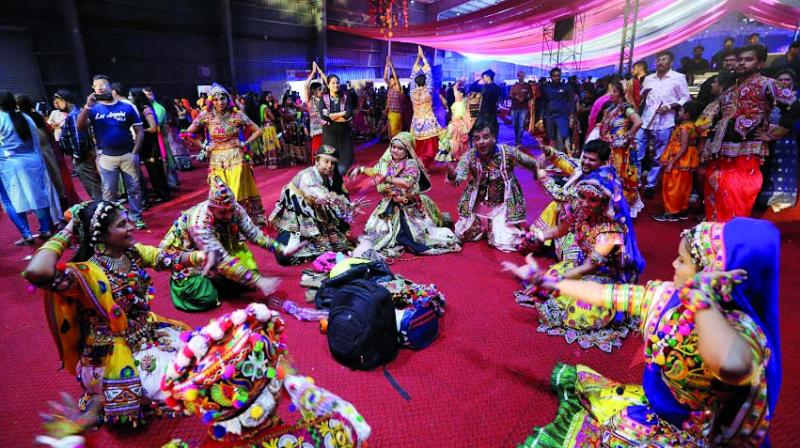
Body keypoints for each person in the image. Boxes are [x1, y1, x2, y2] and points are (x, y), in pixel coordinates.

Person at [507, 218, 780, 448]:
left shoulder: (743, 331)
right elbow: (605, 294)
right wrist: (547, 281)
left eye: (682, 261)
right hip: (658, 409)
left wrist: (702, 302)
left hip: (697, 435)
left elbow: (732, 366)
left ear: (709, 274)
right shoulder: (667, 297)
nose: (673, 265)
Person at [22, 200, 214, 425]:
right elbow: (37, 271)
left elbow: (166, 257)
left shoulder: (131, 253)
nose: (131, 227)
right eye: (122, 224)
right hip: (114, 351)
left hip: (147, 333)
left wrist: (201, 256)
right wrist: (69, 229)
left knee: (200, 356)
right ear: (101, 236)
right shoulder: (84, 274)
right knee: (177, 385)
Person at [516, 166, 645, 352]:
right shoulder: (578, 208)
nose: (584, 203)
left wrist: (554, 282)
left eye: (592, 200)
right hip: (578, 265)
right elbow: (560, 230)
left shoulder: (611, 230)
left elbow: (589, 267)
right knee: (553, 279)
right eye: (583, 196)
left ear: (605, 203)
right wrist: (537, 236)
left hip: (602, 278)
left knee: (580, 314)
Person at [159, 177, 303, 311]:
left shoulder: (235, 209)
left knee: (247, 279)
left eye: (230, 210)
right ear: (211, 208)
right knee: (206, 298)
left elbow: (254, 234)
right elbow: (221, 260)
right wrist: (259, 281)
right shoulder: (199, 223)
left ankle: (219, 280)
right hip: (188, 257)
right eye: (222, 213)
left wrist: (282, 249)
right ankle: (186, 285)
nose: (228, 216)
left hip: (219, 249)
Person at [701, 45, 799, 222]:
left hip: (747, 150)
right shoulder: (730, 91)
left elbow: (794, 105)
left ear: (760, 63)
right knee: (714, 189)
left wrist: (776, 133)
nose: (741, 63)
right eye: (739, 60)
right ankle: (714, 235)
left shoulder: (767, 84)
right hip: (720, 151)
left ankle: (732, 236)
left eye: (748, 60)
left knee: (737, 192)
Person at [351, 132, 461, 257]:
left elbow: (407, 183)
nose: (395, 150)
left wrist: (386, 179)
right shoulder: (390, 163)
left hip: (409, 208)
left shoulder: (411, 164)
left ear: (407, 150)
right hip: (390, 205)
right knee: (375, 236)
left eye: (400, 148)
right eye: (393, 147)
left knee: (418, 239)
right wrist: (361, 170)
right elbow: (375, 171)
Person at [446, 119, 539, 252]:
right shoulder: (469, 157)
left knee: (505, 241)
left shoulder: (507, 152)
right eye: (477, 138)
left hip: (503, 206)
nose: (481, 142)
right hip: (479, 206)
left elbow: (530, 162)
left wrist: (538, 173)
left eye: (485, 137)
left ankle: (496, 227)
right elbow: (458, 179)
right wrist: (452, 176)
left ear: (494, 137)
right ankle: (486, 227)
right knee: (461, 233)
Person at [269, 145, 369, 265]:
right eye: (326, 161)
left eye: (332, 163)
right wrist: (342, 204)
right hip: (296, 219)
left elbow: (331, 199)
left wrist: (349, 207)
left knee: (336, 246)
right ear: (316, 161)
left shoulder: (328, 179)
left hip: (315, 217)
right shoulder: (307, 176)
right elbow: (322, 196)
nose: (329, 166)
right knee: (284, 255)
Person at [182, 83, 267, 224]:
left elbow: (258, 130)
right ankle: (226, 223)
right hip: (216, 160)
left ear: (228, 99)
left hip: (236, 157)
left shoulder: (237, 114)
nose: (220, 102)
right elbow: (186, 133)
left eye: (222, 98)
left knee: (236, 191)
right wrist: (204, 146)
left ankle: (239, 223)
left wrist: (244, 143)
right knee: (220, 193)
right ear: (211, 101)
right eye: (216, 100)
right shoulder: (206, 115)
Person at [77, 74, 147, 229]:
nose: (100, 87)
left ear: (110, 87)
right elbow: (80, 127)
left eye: (103, 84)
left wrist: (135, 153)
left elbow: (140, 130)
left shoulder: (127, 106)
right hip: (106, 157)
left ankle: (135, 216)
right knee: (109, 192)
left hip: (128, 154)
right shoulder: (93, 109)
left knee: (134, 189)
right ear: (93, 89)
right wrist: (87, 106)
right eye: (96, 85)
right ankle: (114, 221)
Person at [533, 140, 613, 262]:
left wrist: (542, 175)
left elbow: (560, 195)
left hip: (588, 230)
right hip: (571, 219)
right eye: (584, 157)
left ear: (603, 163)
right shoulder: (584, 169)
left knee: (574, 263)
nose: (586, 162)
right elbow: (567, 161)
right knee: (555, 209)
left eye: (591, 160)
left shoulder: (598, 183)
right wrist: (549, 151)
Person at [0, 91, 58, 246]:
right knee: (38, 195)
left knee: (10, 200)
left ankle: (26, 234)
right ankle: (45, 230)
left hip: (7, 164)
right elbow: (37, 143)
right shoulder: (25, 118)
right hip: (31, 161)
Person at [636, 51, 690, 197]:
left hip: (665, 120)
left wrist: (671, 106)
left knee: (659, 155)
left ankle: (651, 184)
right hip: (646, 120)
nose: (660, 62)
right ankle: (635, 182)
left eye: (663, 59)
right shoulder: (648, 78)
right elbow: (641, 97)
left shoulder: (678, 77)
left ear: (671, 62)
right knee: (637, 151)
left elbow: (685, 97)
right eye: (658, 60)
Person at [596, 79, 644, 217]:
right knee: (611, 175)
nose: (611, 94)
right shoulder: (612, 108)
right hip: (612, 147)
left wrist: (626, 138)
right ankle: (611, 204)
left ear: (622, 94)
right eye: (610, 90)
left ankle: (623, 206)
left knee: (620, 176)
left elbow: (638, 122)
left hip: (622, 150)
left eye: (614, 91)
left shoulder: (625, 107)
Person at [757, 69, 798, 213]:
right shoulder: (769, 99)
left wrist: (782, 129)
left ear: (792, 83)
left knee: (786, 166)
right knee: (770, 166)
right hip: (769, 139)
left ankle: (785, 198)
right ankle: (766, 197)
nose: (784, 82)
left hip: (788, 138)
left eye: (787, 80)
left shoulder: (795, 100)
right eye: (781, 80)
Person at [654, 101, 703, 221]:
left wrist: (672, 162)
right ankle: (682, 210)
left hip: (679, 161)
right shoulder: (694, 127)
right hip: (688, 161)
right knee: (684, 187)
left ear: (687, 115)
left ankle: (671, 212)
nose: (678, 113)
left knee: (672, 186)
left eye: (680, 111)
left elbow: (684, 146)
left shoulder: (683, 128)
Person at [56, 90, 103, 201]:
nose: (56, 104)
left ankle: (104, 212)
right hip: (87, 154)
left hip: (83, 157)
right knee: (95, 186)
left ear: (66, 101)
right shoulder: (76, 114)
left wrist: (77, 156)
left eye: (58, 101)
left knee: (93, 188)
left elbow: (78, 138)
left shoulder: (73, 116)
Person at [129, 88, 171, 204]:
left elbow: (153, 128)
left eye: (131, 96)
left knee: (156, 171)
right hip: (146, 144)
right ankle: (159, 193)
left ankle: (164, 195)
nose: (129, 98)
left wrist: (139, 131)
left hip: (151, 144)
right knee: (152, 171)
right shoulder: (138, 109)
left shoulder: (146, 109)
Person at [408, 46, 442, 168]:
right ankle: (423, 164)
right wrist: (424, 59)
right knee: (429, 147)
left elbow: (412, 76)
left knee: (418, 146)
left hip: (416, 122)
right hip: (428, 122)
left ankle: (418, 165)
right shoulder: (428, 92)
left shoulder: (412, 93)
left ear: (416, 83)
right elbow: (429, 75)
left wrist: (417, 59)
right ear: (425, 82)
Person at [143, 87, 179, 189]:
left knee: (165, 162)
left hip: (161, 139)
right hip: (154, 140)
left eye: (149, 94)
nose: (147, 97)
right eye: (145, 95)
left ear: (153, 95)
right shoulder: (148, 108)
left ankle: (170, 184)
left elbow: (155, 124)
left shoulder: (158, 108)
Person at [319, 74, 354, 176]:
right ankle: (332, 184)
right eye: (333, 83)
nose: (336, 85)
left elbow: (348, 113)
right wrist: (341, 113)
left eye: (337, 82)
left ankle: (338, 181)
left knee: (345, 160)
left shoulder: (345, 97)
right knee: (330, 159)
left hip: (344, 134)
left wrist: (333, 116)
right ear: (328, 85)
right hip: (329, 134)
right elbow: (324, 116)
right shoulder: (324, 99)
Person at [540, 67, 577, 152]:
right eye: (555, 76)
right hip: (550, 116)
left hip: (562, 116)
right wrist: (541, 118)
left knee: (560, 138)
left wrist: (571, 115)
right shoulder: (546, 88)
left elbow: (571, 101)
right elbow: (543, 103)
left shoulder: (566, 87)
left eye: (558, 75)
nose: (557, 77)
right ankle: (555, 158)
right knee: (552, 139)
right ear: (551, 77)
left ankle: (560, 160)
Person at [436, 80, 471, 162]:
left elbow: (455, 87)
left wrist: (459, 82)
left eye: (459, 92)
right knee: (457, 140)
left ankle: (454, 154)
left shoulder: (459, 100)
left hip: (456, 123)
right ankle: (458, 154)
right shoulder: (464, 101)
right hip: (460, 123)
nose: (456, 93)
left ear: (461, 94)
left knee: (454, 139)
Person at [471, 69, 502, 135]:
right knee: (491, 131)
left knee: (481, 130)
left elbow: (472, 86)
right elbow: (498, 100)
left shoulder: (484, 87)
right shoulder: (497, 87)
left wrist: (478, 79)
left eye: (483, 77)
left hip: (485, 113)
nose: (483, 79)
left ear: (488, 77)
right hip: (492, 112)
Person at [305, 61, 325, 159]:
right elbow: (305, 86)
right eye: (319, 89)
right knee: (318, 151)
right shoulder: (310, 101)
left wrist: (320, 72)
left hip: (326, 128)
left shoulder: (324, 99)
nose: (321, 91)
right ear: (313, 91)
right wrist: (313, 72)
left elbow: (328, 83)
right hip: (316, 129)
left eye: (321, 89)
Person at [259, 91, 282, 169]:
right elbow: (272, 117)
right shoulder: (265, 107)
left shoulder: (262, 106)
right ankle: (273, 163)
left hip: (266, 128)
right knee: (271, 145)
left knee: (269, 145)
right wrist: (273, 109)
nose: (270, 97)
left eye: (270, 96)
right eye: (268, 96)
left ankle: (270, 163)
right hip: (269, 129)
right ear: (264, 97)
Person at [510, 71, 533, 146]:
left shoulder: (527, 86)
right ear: (518, 76)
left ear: (524, 76)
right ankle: (517, 138)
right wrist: (516, 97)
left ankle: (518, 141)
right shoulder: (514, 86)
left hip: (524, 108)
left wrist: (525, 98)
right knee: (515, 125)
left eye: (522, 75)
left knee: (521, 125)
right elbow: (510, 95)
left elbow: (531, 96)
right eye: (520, 75)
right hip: (514, 107)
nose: (521, 77)